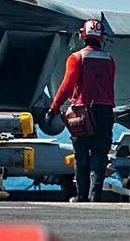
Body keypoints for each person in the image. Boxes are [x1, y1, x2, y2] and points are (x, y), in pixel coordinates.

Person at [44, 19, 116, 202]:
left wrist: (53, 109)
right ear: (101, 37)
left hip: (83, 113)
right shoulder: (109, 59)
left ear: (82, 36)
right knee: (100, 155)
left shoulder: (76, 58)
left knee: (82, 155)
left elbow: (67, 86)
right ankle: (95, 196)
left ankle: (82, 196)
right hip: (106, 111)